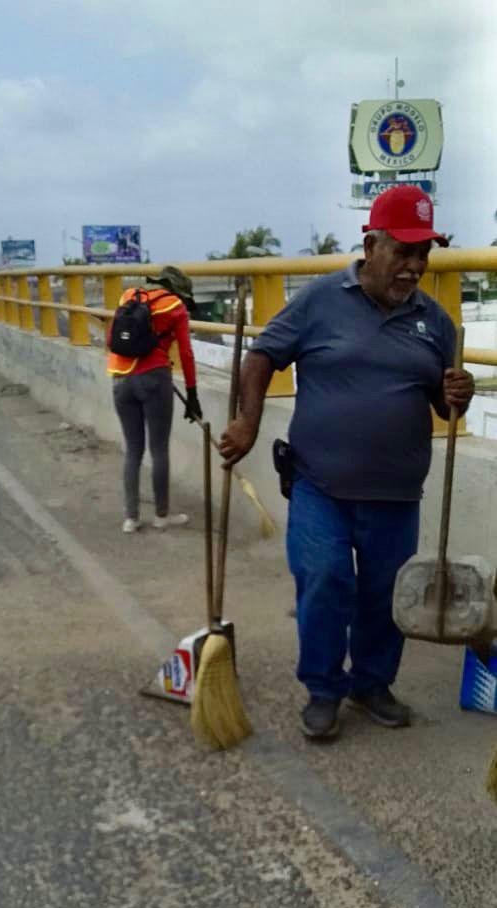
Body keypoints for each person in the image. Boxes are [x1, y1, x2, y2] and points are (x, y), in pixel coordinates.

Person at [219, 187, 475, 740]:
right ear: (370, 244)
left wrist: (461, 392)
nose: (414, 267)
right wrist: (247, 421)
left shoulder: (436, 323)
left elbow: (442, 407)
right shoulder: (320, 300)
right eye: (403, 252)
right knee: (325, 578)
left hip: (397, 493)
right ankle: (323, 688)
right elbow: (262, 356)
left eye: (423, 254)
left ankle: (372, 683)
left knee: (385, 593)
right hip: (320, 483)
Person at [107, 265, 202, 533]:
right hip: (154, 379)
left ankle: (131, 518)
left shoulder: (129, 296)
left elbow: (111, 339)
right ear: (177, 290)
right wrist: (192, 394)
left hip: (120, 378)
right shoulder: (176, 307)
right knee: (158, 449)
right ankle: (161, 516)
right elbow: (186, 353)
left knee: (133, 450)